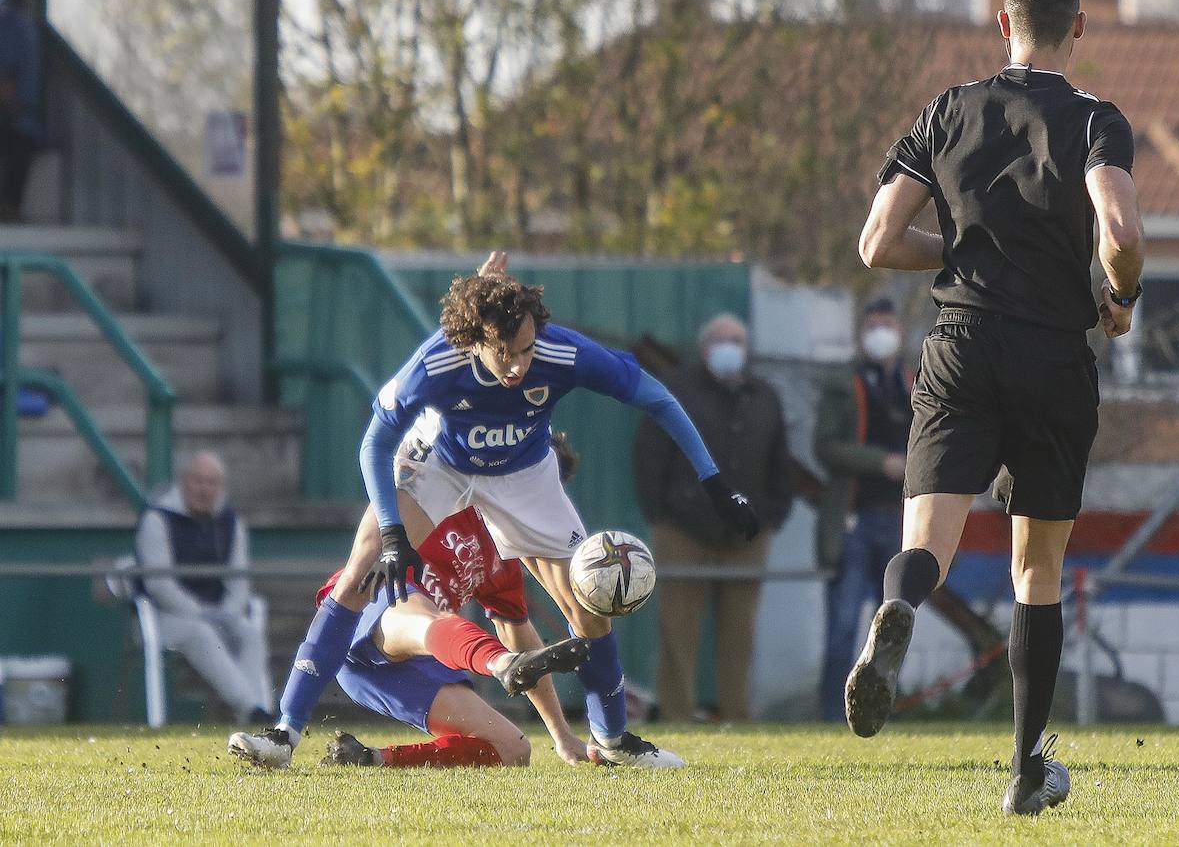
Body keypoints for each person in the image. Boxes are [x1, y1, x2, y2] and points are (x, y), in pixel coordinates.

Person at [229, 252, 759, 769]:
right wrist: (393, 533)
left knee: (589, 607)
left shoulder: (563, 353)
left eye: (526, 350)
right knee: (359, 570)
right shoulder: (437, 361)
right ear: (472, 341)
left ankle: (612, 739)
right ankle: (284, 732)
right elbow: (373, 444)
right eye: (503, 351)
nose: (517, 364)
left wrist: (716, 484)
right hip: (440, 465)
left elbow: (658, 398)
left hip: (526, 475)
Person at [845, 0, 1144, 817]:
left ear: (1002, 23)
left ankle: (897, 608)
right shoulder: (1095, 119)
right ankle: (1022, 773)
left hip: (959, 345)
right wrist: (1118, 296)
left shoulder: (946, 110)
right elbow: (1120, 228)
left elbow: (876, 243)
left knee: (930, 544)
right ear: (1078, 27)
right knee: (1035, 572)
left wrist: (969, 253)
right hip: (1053, 351)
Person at [248, 506, 592, 769]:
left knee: (513, 749)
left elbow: (520, 634)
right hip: (374, 603)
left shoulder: (505, 556)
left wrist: (561, 734)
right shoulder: (449, 489)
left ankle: (368, 758)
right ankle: (498, 662)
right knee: (423, 615)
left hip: (400, 668)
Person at [633, 313, 793, 723]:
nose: (731, 349)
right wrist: (661, 516)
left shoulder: (764, 396)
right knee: (678, 632)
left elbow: (781, 462)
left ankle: (738, 717)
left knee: (740, 635)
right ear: (705, 349)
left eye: (739, 340)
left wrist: (771, 516)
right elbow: (649, 456)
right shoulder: (676, 391)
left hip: (746, 534)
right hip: (683, 530)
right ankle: (677, 716)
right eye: (723, 340)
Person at [814, 298, 915, 722]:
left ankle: (884, 714)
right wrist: (881, 462)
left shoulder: (913, 382)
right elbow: (826, 447)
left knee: (894, 629)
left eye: (886, 325)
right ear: (860, 334)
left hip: (901, 524)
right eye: (872, 325)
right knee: (843, 628)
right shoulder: (844, 383)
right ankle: (831, 716)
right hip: (854, 523)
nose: (880, 333)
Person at [134, 451, 274, 723]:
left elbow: (239, 579)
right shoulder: (157, 520)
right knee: (199, 632)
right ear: (183, 482)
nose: (205, 489)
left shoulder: (231, 523)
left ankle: (256, 715)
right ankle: (250, 710)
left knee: (249, 634)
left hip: (218, 612)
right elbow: (158, 584)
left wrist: (229, 612)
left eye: (212, 483)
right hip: (162, 617)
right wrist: (198, 612)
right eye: (198, 481)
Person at [0, 0, 42, 222]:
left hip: (18, 120)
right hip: (18, 120)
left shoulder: (14, 26)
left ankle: (9, 206)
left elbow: (9, 86)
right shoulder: (22, 26)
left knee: (21, 137)